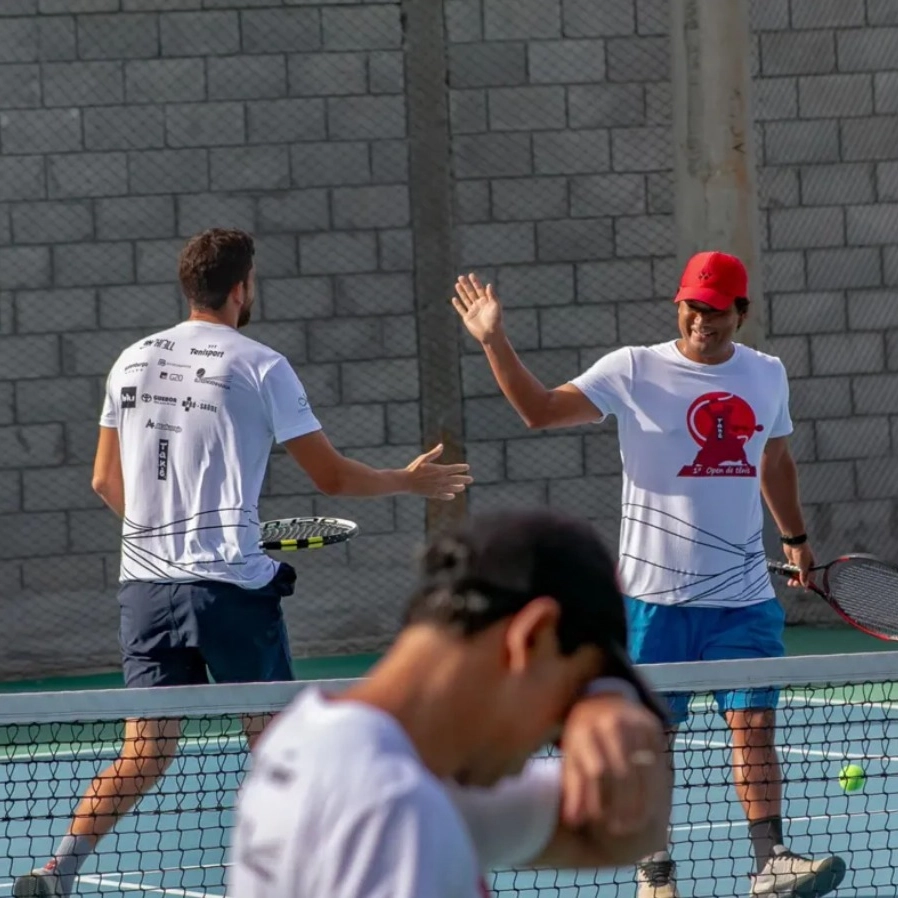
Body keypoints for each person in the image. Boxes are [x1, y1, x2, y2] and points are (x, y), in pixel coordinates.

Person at [13, 228, 472, 898]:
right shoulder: (262, 365)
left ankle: (57, 870)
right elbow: (333, 480)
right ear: (241, 288)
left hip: (146, 590)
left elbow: (103, 483)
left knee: (144, 750)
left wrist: (167, 537)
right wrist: (406, 480)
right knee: (279, 743)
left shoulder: (130, 361)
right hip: (227, 590)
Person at [450, 253, 847, 898]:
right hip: (653, 602)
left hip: (743, 598)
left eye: (717, 310)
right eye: (693, 306)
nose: (703, 320)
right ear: (678, 305)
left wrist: (796, 539)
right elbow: (540, 411)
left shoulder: (767, 375)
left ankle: (769, 861)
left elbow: (775, 459)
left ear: (740, 313)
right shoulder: (632, 368)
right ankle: (655, 874)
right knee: (650, 742)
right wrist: (494, 340)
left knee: (754, 728)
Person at [227, 508, 673, 898]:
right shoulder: (390, 805)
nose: (557, 734)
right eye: (568, 699)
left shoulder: (320, 742)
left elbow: (621, 831)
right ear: (532, 637)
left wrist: (607, 698)